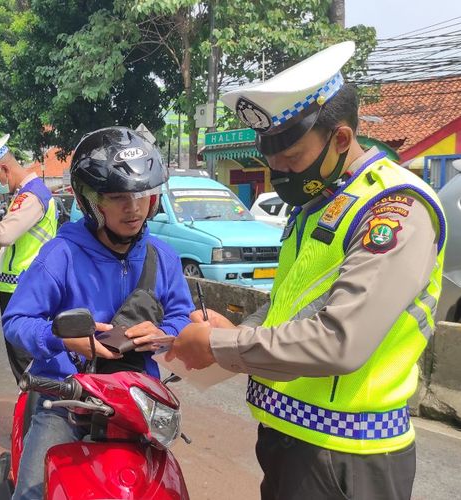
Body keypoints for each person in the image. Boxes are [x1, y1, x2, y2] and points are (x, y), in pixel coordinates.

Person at [167, 41, 447, 500]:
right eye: (272, 164)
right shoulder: (318, 203)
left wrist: (220, 345)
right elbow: (292, 305)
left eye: (292, 161)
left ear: (340, 139)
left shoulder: (393, 208)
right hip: (291, 440)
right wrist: (237, 327)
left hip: (349, 455)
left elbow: (341, 340)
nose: (281, 175)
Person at [3, 127, 195, 499]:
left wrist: (165, 334)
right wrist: (60, 339)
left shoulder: (163, 256)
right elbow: (16, 321)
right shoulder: (61, 254)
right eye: (118, 196)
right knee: (31, 492)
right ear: (92, 201)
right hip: (65, 397)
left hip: (137, 399)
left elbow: (181, 316)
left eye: (141, 195)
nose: (134, 207)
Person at [0, 134, 58, 383]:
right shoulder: (23, 195)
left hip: (26, 289)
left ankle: (33, 418)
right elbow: (12, 247)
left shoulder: (32, 195)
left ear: (4, 168)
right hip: (18, 288)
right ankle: (30, 414)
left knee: (28, 366)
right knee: (24, 363)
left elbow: (4, 236)